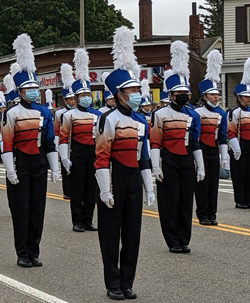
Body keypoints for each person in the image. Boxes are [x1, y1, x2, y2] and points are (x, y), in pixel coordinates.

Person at [94, 26, 154, 301]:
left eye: (136, 89)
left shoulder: (142, 121)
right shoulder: (108, 119)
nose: (136, 93)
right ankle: (112, 282)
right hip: (113, 177)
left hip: (133, 178)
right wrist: (105, 189)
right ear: (118, 94)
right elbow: (102, 156)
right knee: (110, 233)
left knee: (132, 232)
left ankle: (127, 281)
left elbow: (144, 156)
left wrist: (149, 187)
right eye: (130, 90)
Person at [1, 34, 60, 267]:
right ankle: (22, 252)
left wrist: (54, 168)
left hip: (38, 164)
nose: (34, 91)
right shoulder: (11, 113)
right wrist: (9, 170)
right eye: (30, 88)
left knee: (38, 209)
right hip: (20, 163)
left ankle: (34, 250)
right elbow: (6, 143)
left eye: (36, 87)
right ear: (20, 91)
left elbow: (49, 142)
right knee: (21, 209)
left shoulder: (46, 113)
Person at [150, 40, 203, 254]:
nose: (183, 96)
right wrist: (156, 166)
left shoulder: (193, 115)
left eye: (186, 93)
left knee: (185, 201)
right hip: (168, 159)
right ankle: (172, 239)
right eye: (178, 93)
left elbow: (196, 141)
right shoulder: (160, 114)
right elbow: (155, 142)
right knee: (170, 200)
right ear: (170, 94)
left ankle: (184, 238)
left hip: (186, 159)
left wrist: (201, 166)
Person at [58, 48, 101, 232]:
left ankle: (88, 219)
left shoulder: (98, 115)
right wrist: (64, 159)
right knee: (77, 188)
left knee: (92, 188)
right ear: (75, 98)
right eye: (82, 96)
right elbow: (63, 138)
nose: (85, 98)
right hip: (77, 152)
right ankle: (77, 220)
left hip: (94, 152)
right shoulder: (69, 115)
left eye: (87, 95)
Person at [194, 50, 228, 226]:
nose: (216, 97)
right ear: (204, 96)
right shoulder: (196, 113)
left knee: (213, 184)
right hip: (201, 149)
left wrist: (225, 156)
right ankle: (202, 213)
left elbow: (223, 136)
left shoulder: (221, 113)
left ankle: (212, 213)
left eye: (217, 94)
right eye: (213, 94)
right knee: (202, 183)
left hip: (213, 149)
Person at [228, 58, 250, 209]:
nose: (248, 99)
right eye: (245, 97)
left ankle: (249, 199)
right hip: (239, 144)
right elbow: (230, 132)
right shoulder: (234, 113)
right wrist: (236, 148)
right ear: (239, 98)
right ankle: (240, 199)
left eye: (249, 97)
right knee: (239, 174)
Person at [56, 63, 77, 200]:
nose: (73, 101)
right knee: (66, 170)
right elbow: (56, 131)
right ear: (65, 100)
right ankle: (67, 191)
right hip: (64, 143)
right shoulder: (59, 113)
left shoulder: (79, 112)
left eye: (74, 98)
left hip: (76, 144)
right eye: (70, 99)